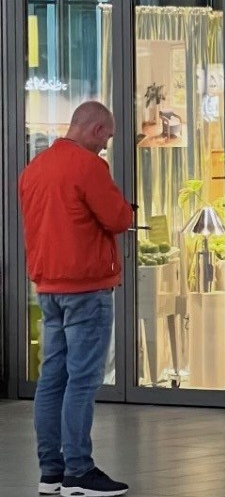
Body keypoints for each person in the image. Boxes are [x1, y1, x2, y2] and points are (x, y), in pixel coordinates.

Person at [19, 101, 133, 497]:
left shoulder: (34, 168)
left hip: (48, 287)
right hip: (86, 287)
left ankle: (51, 472)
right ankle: (79, 472)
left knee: (52, 379)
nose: (106, 146)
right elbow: (118, 218)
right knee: (82, 381)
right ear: (96, 129)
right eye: (107, 137)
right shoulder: (89, 166)